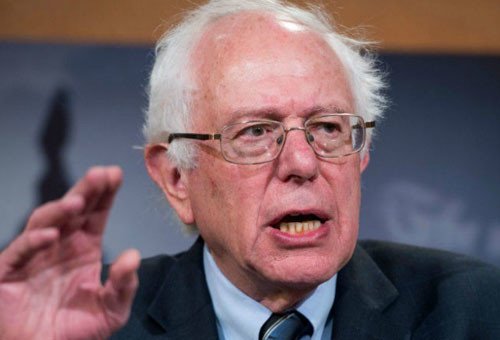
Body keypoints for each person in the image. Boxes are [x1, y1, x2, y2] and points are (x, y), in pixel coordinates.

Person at [1, 0, 499, 339]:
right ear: (177, 177)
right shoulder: (90, 325)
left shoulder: (476, 312)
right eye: (256, 132)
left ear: (361, 154)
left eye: (327, 127)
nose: (303, 164)